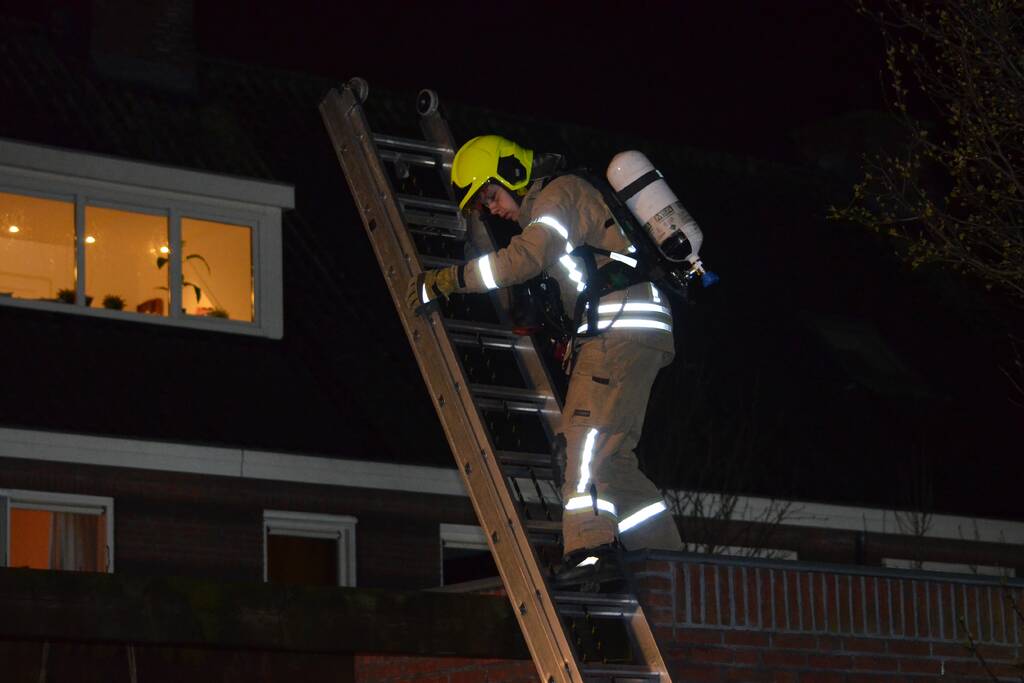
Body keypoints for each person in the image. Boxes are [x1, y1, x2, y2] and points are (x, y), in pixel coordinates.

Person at [408, 135, 684, 580]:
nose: (492, 210)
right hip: (628, 327)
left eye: (491, 196)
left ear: (512, 173)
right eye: (483, 206)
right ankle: (668, 559)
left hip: (619, 328)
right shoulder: (557, 202)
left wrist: (447, 280)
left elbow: (525, 259)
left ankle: (590, 547)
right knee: (613, 457)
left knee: (583, 439)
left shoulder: (558, 195)